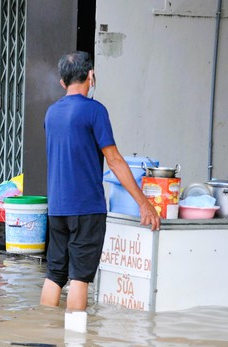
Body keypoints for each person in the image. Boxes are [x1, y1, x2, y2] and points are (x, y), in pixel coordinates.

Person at [39, 51, 160, 311]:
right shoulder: (94, 111)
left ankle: (45, 337)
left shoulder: (51, 113)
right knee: (80, 278)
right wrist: (143, 202)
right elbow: (114, 160)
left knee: (54, 275)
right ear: (90, 76)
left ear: (63, 82)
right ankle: (76, 346)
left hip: (57, 210)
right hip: (86, 209)